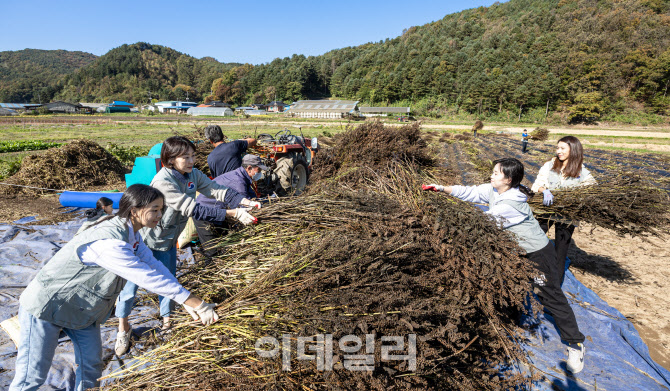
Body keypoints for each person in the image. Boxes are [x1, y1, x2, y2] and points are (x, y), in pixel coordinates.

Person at [9, 184, 219, 391]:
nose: (160, 214)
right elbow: (143, 275)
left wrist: (186, 299)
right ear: (135, 211)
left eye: (161, 209)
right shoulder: (110, 242)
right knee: (32, 376)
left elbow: (154, 266)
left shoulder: (132, 234)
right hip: (47, 305)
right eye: (154, 209)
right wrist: (194, 302)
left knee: (91, 366)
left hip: (82, 309)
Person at [423, 158, 586, 374]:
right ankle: (513, 318)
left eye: (496, 173)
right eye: (492, 172)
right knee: (510, 283)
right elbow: (470, 192)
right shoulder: (494, 190)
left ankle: (575, 343)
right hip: (515, 250)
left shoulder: (511, 205)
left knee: (549, 295)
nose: (491, 176)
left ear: (508, 180)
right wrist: (441, 188)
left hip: (536, 253)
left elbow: (479, 225)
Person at [115, 136, 261, 356]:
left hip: (167, 240)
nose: (191, 160)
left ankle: (166, 322)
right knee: (130, 287)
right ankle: (123, 327)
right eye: (185, 157)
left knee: (169, 280)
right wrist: (232, 213)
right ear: (170, 159)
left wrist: (243, 201)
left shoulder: (192, 174)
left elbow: (215, 189)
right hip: (146, 238)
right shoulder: (164, 182)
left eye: (193, 155)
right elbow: (193, 209)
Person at [531, 136, 596, 284]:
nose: (558, 151)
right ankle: (531, 274)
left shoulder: (582, 171)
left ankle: (555, 284)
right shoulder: (549, 165)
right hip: (545, 210)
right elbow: (536, 185)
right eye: (557, 148)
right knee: (534, 239)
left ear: (573, 150)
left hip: (567, 215)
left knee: (561, 252)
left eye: (562, 149)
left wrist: (577, 198)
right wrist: (544, 191)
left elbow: (592, 190)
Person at [193, 154, 268, 257]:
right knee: (213, 251)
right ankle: (209, 268)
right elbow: (245, 209)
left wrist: (259, 203)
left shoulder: (242, 176)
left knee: (223, 242)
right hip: (204, 213)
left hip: (218, 211)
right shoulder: (238, 182)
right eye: (258, 170)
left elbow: (250, 199)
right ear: (249, 168)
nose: (259, 173)